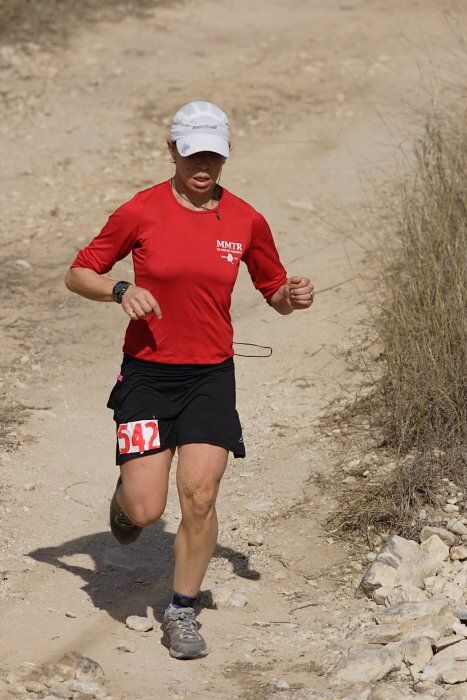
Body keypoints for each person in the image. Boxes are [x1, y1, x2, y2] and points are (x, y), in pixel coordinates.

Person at [65, 100, 314, 660]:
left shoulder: (246, 220)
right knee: (147, 507)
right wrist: (121, 290)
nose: (203, 164)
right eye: (193, 152)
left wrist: (292, 298)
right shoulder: (141, 210)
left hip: (210, 376)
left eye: (213, 154)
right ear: (172, 149)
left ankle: (182, 610)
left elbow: (274, 292)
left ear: (223, 156)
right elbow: (78, 272)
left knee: (199, 495)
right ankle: (125, 503)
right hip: (148, 376)